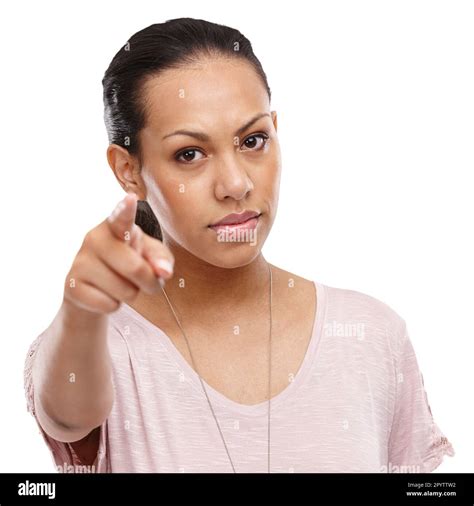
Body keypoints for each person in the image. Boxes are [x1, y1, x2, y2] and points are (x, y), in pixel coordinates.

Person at [24, 17, 455, 473]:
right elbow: (66, 415)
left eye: (253, 141)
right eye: (189, 154)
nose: (236, 184)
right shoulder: (100, 348)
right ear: (129, 171)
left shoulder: (371, 335)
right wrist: (80, 312)